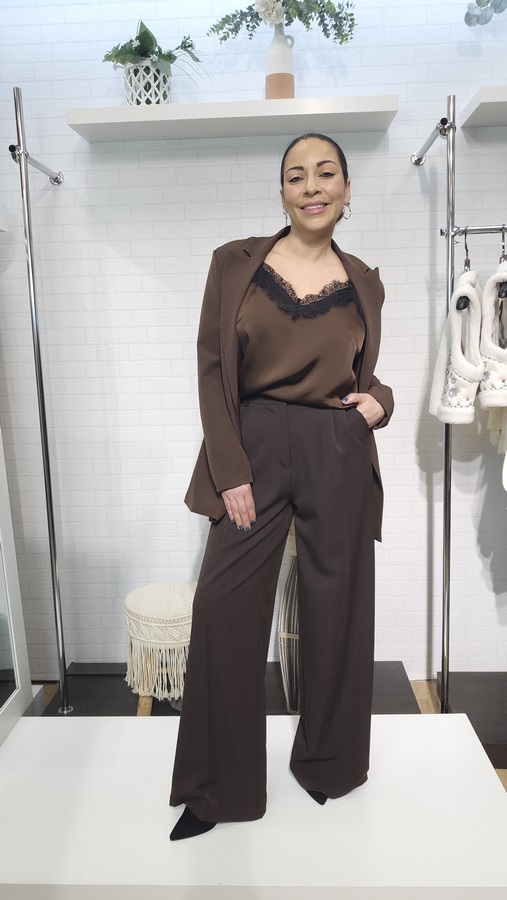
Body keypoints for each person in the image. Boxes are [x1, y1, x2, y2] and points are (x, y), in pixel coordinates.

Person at [169, 133, 394, 841]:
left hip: (336, 447)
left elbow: (363, 373)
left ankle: (328, 763)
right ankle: (216, 789)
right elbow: (212, 369)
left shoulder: (364, 280)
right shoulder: (235, 264)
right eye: (297, 176)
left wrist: (380, 401)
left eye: (326, 173)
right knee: (224, 610)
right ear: (282, 192)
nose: (312, 186)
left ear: (347, 190)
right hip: (255, 444)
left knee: (338, 610)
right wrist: (229, 468)